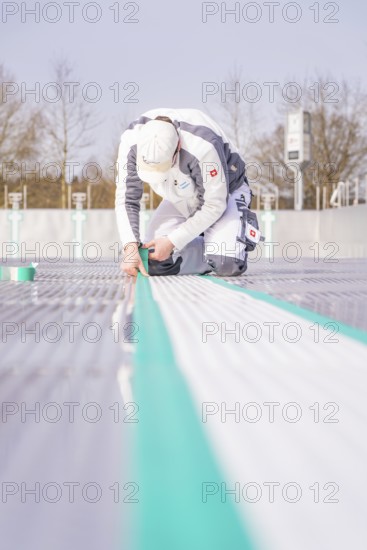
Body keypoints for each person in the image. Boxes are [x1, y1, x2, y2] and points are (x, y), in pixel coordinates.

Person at [115, 108, 262, 277]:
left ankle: (224, 243)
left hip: (226, 193)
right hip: (181, 196)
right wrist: (130, 246)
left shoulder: (203, 145)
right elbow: (126, 200)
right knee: (149, 259)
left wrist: (172, 241)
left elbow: (214, 204)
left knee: (226, 263)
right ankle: (204, 241)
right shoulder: (130, 141)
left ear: (177, 147)